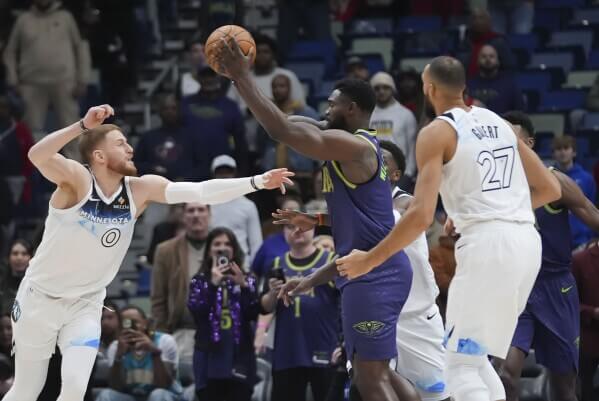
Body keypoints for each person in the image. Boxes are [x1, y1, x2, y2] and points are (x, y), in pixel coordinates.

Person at [2, 104, 293, 401]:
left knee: (75, 388)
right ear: (99, 156)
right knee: (27, 390)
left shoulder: (141, 189)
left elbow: (200, 192)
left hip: (85, 304)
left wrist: (256, 182)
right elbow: (36, 155)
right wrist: (82, 126)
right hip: (41, 298)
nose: (130, 149)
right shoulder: (78, 180)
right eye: (120, 143)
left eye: (128, 142)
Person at [335, 56, 561, 401]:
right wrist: (491, 210)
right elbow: (549, 189)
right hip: (527, 243)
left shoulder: (436, 132)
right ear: (464, 86)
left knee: (457, 367)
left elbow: (421, 216)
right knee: (475, 358)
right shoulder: (498, 121)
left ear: (429, 88)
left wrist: (369, 260)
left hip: (488, 246)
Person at [216, 41, 419, 401]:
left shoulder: (354, 147)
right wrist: (315, 226)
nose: (325, 109)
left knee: (370, 381)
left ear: (352, 109)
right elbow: (283, 124)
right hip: (365, 271)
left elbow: (281, 131)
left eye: (332, 105)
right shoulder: (343, 142)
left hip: (376, 275)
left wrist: (243, 76)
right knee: (377, 373)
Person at [273, 140, 450, 401]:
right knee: (364, 385)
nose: (375, 164)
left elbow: (380, 223)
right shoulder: (361, 212)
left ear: (396, 175)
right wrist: (317, 224)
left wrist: (321, 222)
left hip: (416, 318)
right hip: (376, 312)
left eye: (383, 161)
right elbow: (349, 256)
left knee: (437, 396)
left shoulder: (408, 203)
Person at [497, 111, 599, 401]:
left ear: (527, 142)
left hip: (556, 287)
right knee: (504, 374)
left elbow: (594, 217)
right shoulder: (493, 187)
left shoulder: (557, 183)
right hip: (515, 289)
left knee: (564, 387)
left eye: (510, 136)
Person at [260, 224, 339, 401]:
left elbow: (345, 303)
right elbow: (264, 307)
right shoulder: (277, 263)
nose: (296, 230)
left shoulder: (330, 260)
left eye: (302, 225)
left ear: (313, 228)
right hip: (287, 350)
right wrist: (273, 293)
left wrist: (343, 342)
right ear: (283, 232)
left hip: (324, 345)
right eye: (289, 226)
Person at [187, 227, 260, 401]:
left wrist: (243, 285)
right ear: (209, 250)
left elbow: (253, 312)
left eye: (227, 243)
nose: (222, 248)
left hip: (240, 355)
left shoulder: (247, 279)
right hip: (208, 356)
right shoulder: (199, 281)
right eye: (217, 244)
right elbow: (197, 312)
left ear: (234, 249)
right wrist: (212, 284)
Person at [3, 0, 90, 141]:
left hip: (64, 81)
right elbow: (10, 51)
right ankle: (31, 163)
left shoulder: (65, 17)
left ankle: (74, 162)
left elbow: (80, 47)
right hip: (31, 83)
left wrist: (82, 79)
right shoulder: (23, 20)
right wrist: (13, 80)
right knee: (29, 133)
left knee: (72, 130)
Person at [96, 305, 182, 401]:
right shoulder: (116, 346)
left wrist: (155, 352)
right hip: (132, 397)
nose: (130, 327)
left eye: (134, 322)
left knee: (158, 394)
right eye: (126, 323)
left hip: (166, 395)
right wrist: (118, 357)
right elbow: (116, 387)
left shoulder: (165, 341)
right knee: (106, 395)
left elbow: (164, 385)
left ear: (145, 323)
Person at [181, 67, 249, 180]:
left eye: (212, 75)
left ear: (219, 77)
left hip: (222, 166)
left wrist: (243, 170)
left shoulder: (230, 105)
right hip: (192, 165)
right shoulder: (186, 103)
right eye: (204, 76)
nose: (208, 79)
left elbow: (240, 140)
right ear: (198, 79)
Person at [210, 155, 263, 266]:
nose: (224, 176)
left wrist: (251, 269)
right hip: (211, 264)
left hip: (242, 265)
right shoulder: (205, 205)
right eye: (220, 173)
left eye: (228, 172)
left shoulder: (248, 206)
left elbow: (256, 243)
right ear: (213, 175)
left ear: (235, 174)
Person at [134, 94, 200, 181]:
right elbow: (136, 164)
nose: (169, 112)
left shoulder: (192, 137)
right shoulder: (148, 138)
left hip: (185, 188)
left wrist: (186, 179)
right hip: (156, 188)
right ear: (159, 112)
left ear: (180, 111)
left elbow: (202, 166)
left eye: (173, 108)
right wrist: (152, 169)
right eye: (166, 108)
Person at [369, 72, 418, 186]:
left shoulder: (406, 114)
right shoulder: (367, 115)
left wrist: (408, 174)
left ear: (393, 89)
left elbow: (413, 148)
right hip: (372, 174)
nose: (381, 91)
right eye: (377, 88)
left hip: (400, 174)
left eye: (386, 87)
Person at [552, 135, 597, 249]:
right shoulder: (548, 179)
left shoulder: (587, 178)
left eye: (566, 148)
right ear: (553, 153)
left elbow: (593, 209)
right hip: (555, 242)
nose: (562, 152)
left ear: (574, 152)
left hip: (581, 241)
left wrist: (592, 237)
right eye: (559, 148)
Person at [572, 239, 599, 401]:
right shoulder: (580, 260)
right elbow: (570, 302)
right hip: (588, 339)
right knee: (586, 390)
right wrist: (592, 312)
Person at [466, 44, 524, 115]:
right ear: (477, 61)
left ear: (498, 61)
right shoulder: (468, 84)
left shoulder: (510, 85)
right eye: (484, 56)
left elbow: (519, 112)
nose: (488, 59)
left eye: (491, 56)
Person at [0, 239, 33, 315]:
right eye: (15, 253)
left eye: (24, 254)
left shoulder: (37, 282)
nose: (19, 258)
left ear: (31, 258)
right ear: (8, 257)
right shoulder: (1, 280)